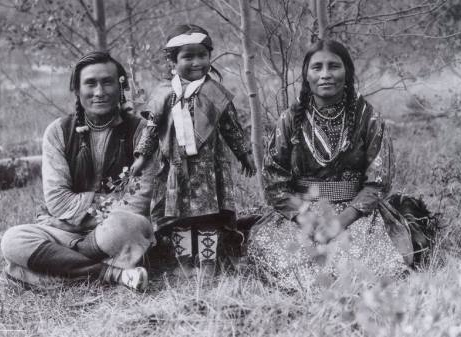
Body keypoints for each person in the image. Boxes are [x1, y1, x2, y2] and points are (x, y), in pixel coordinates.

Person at [247, 40, 410, 290]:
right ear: (306, 74)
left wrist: (341, 221)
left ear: (347, 72)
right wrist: (308, 220)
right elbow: (274, 182)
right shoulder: (290, 119)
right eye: (317, 67)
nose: (325, 74)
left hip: (356, 214)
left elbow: (378, 181)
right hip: (301, 214)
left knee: (363, 266)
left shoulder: (368, 118)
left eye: (333, 66)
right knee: (280, 254)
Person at [0, 51, 157, 291]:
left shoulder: (141, 131)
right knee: (13, 239)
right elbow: (58, 201)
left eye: (107, 82)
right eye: (90, 83)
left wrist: (69, 223)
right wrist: (99, 208)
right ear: (77, 89)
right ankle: (114, 274)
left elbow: (138, 202)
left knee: (128, 225)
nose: (99, 92)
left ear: (120, 86)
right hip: (68, 234)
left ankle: (46, 268)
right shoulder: (58, 131)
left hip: (110, 233)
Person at [131, 24, 256, 273]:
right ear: (172, 61)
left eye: (202, 55)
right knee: (180, 217)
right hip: (176, 170)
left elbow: (232, 127)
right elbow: (152, 128)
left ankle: (207, 262)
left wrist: (244, 153)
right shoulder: (164, 94)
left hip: (208, 170)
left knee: (208, 216)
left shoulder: (214, 93)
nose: (197, 62)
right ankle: (185, 263)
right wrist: (142, 156)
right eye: (188, 56)